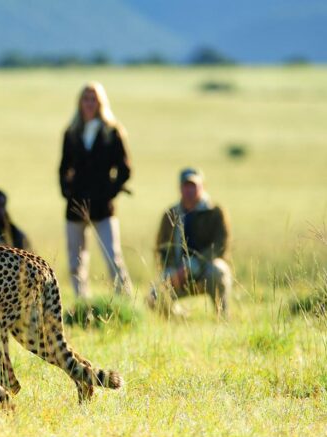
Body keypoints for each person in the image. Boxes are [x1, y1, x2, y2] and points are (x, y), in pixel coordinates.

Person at [59, 81, 133, 298]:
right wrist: (67, 191)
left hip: (103, 206)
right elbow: (63, 167)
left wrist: (110, 191)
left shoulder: (112, 132)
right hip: (76, 204)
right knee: (75, 260)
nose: (89, 103)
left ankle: (125, 302)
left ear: (101, 103)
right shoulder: (71, 132)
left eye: (94, 99)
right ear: (80, 102)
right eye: (86, 99)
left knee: (113, 257)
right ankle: (83, 304)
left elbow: (125, 169)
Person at [147, 168, 232, 317]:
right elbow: (161, 249)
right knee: (153, 296)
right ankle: (178, 319)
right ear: (180, 188)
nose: (190, 190)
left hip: (206, 270)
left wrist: (193, 265)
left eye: (194, 185)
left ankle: (223, 318)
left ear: (203, 187)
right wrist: (170, 272)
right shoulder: (170, 214)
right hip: (177, 275)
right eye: (186, 186)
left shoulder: (215, 212)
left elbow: (221, 246)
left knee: (219, 271)